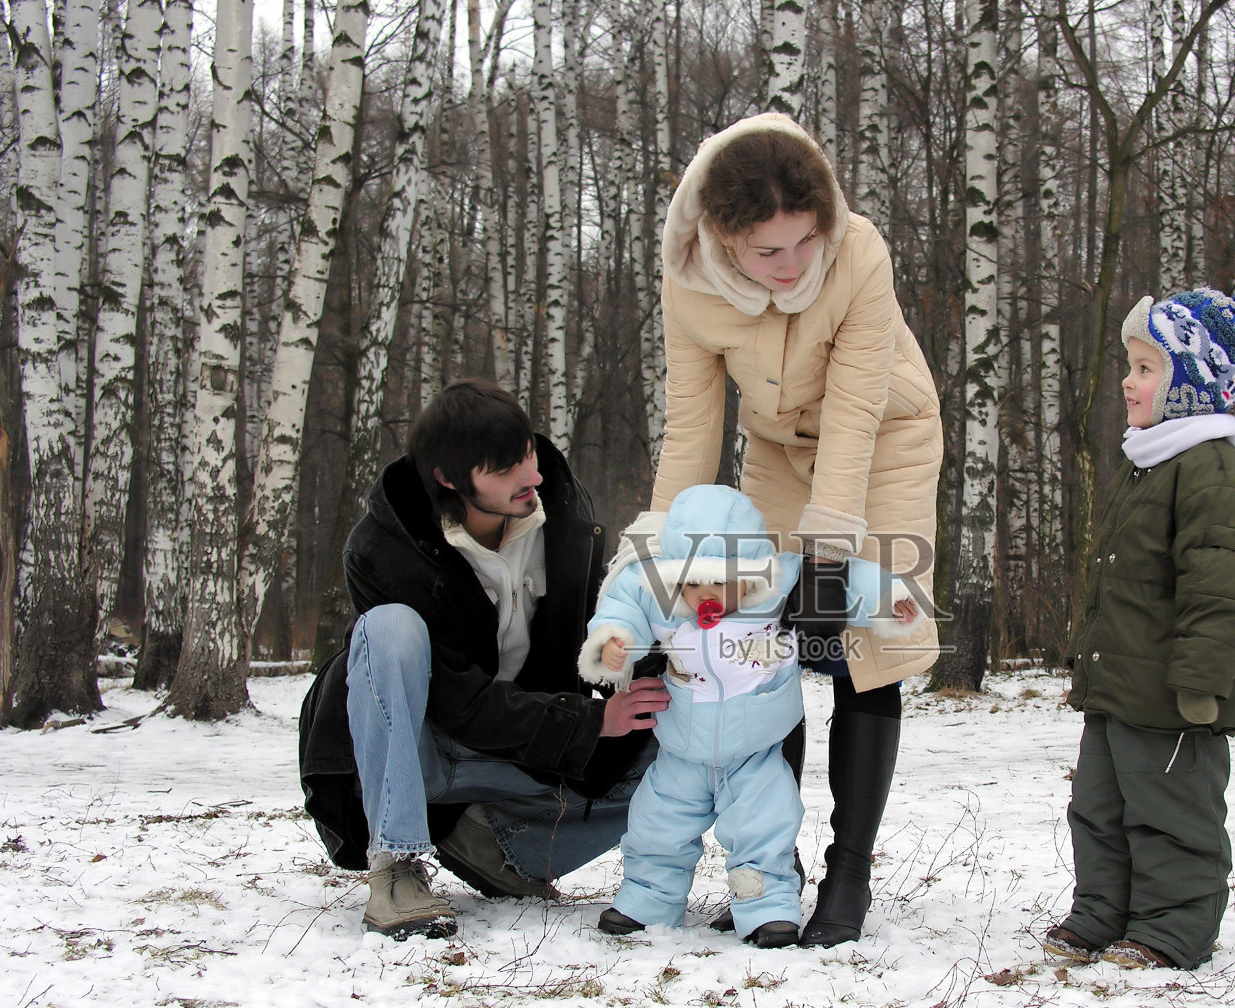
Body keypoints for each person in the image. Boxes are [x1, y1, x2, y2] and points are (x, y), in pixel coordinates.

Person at [619, 112, 944, 948]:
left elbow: (856, 405)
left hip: (883, 437)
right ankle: (771, 866)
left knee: (862, 648)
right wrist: (658, 566)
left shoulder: (859, 251)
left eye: (806, 242)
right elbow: (692, 428)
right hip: (776, 447)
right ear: (723, 238)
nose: (794, 266)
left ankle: (851, 870)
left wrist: (831, 558)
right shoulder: (687, 279)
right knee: (767, 641)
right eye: (770, 251)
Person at [297, 380, 668, 940]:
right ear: (449, 478)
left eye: (528, 454)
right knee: (388, 629)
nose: (533, 476)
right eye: (506, 468)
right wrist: (592, 722)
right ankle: (395, 866)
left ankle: (490, 846)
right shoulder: (384, 549)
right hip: (418, 750)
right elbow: (454, 701)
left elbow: (603, 626)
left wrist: (660, 672)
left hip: (514, 756)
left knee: (672, 724)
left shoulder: (564, 517)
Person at [1044, 288, 1235, 970]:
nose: (1128, 381)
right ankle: (1102, 912)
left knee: (1171, 811)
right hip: (1122, 681)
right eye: (1129, 365)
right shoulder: (1152, 460)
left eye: (1147, 368)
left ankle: (1173, 927)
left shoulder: (1217, 472)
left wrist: (1201, 683)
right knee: (1099, 806)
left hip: (1179, 693)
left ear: (1192, 384)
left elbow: (1227, 589)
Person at [579, 485, 920, 947]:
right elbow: (624, 604)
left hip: (754, 756)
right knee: (656, 829)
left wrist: (888, 598)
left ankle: (764, 909)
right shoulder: (661, 596)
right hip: (681, 753)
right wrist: (615, 640)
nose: (704, 596)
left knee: (764, 832)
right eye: (691, 582)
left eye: (719, 582)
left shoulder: (778, 588)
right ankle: (647, 903)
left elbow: (847, 580)